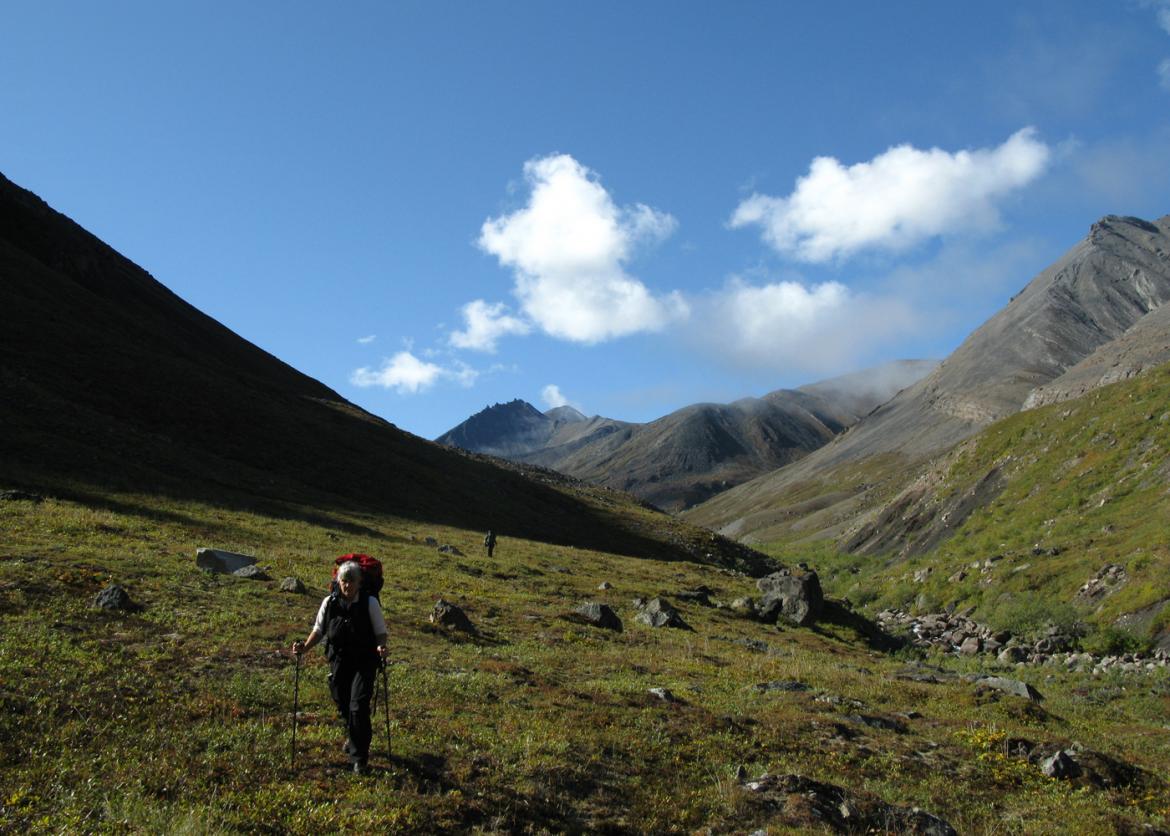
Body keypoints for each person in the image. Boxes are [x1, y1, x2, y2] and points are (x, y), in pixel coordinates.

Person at [292, 560, 387, 774]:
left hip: (365, 661)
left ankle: (359, 759)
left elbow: (381, 632)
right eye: (343, 581)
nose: (347, 585)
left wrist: (381, 647)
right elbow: (319, 630)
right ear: (338, 581)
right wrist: (304, 648)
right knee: (343, 702)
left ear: (359, 582)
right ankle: (353, 735)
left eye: (351, 581)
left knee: (359, 705)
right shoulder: (330, 603)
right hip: (339, 661)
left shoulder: (369, 603)